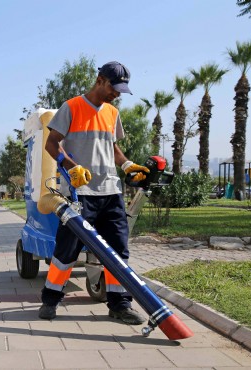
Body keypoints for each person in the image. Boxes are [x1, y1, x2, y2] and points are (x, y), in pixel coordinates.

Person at [38, 61, 150, 325]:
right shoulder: (72, 107)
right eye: (114, 87)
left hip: (110, 192)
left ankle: (120, 305)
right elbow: (51, 144)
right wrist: (70, 166)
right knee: (67, 251)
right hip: (79, 193)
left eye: (121, 89)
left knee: (117, 252)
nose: (117, 93)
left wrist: (126, 165)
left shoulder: (112, 113)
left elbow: (111, 147)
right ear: (100, 80)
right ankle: (50, 300)